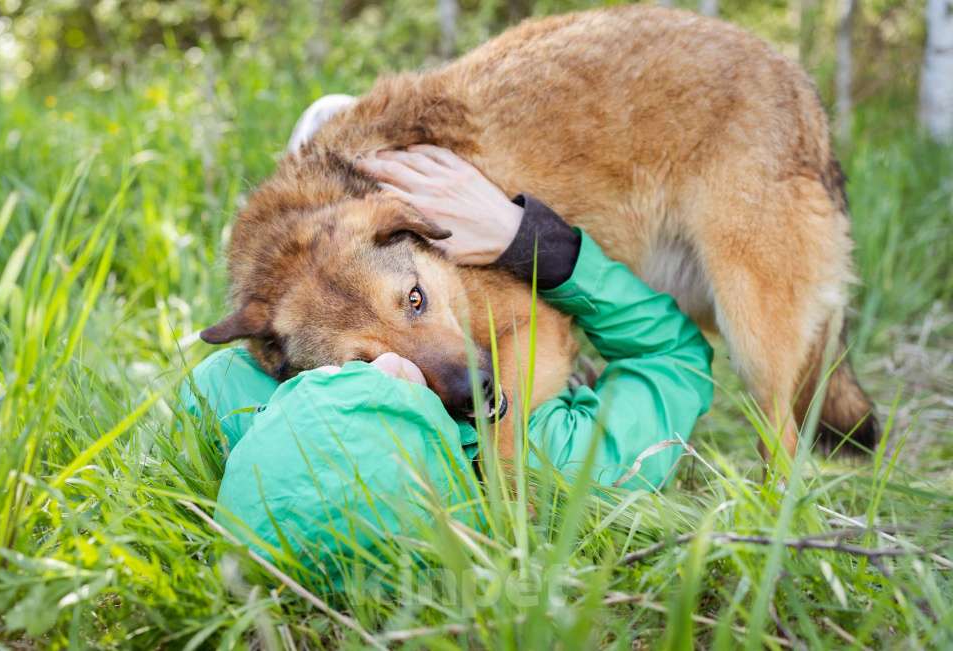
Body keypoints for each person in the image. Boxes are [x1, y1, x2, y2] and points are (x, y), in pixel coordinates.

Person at [180, 101, 714, 576]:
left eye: (413, 303)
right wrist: (528, 238)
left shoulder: (252, 401)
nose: (396, 366)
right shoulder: (562, 469)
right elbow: (677, 356)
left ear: (297, 392)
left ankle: (332, 130)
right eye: (369, 364)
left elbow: (219, 382)